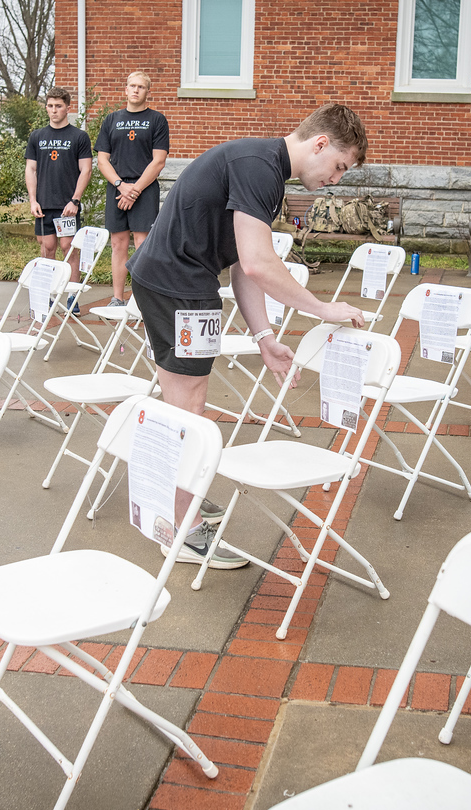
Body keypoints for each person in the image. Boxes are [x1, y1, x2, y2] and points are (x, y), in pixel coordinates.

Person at [125, 103, 369, 568]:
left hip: (169, 279)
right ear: (320, 143)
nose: (336, 179)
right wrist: (322, 308)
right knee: (189, 409)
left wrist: (264, 337)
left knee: (177, 401)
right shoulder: (261, 170)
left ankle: (172, 500)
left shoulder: (262, 167)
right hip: (182, 286)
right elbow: (260, 263)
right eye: (339, 166)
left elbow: (241, 266)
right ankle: (181, 526)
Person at [95, 71, 169, 306]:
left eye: (141, 87)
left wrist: (134, 190)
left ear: (148, 91)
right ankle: (117, 298)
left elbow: (158, 161)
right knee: (117, 244)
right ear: (125, 90)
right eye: (132, 86)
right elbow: (102, 160)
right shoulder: (111, 120)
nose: (136, 90)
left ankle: (140, 299)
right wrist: (120, 185)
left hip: (144, 188)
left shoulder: (157, 120)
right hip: (117, 187)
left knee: (142, 244)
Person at [25, 86, 92, 312]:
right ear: (46, 108)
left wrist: (75, 200)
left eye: (59, 106)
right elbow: (31, 169)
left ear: (67, 108)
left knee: (69, 247)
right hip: (44, 205)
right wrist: (33, 200)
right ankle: (49, 294)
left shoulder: (79, 136)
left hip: (67, 206)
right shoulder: (37, 136)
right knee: (48, 247)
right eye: (50, 106)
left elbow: (86, 170)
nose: (54, 110)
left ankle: (72, 295)